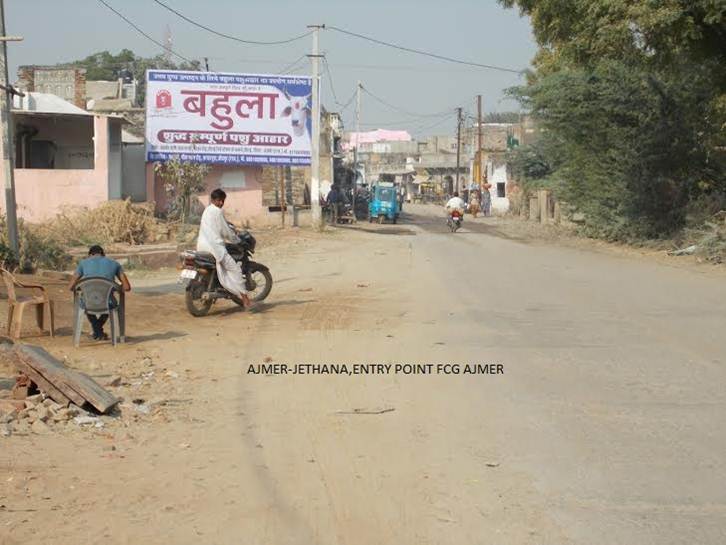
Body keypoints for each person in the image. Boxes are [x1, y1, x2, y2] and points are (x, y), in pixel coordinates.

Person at [197, 189, 252, 309]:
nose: (221, 203)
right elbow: (225, 231)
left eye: (222, 200)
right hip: (215, 247)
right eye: (219, 200)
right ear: (213, 200)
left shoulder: (207, 210)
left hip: (202, 246)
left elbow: (221, 225)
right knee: (235, 270)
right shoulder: (217, 211)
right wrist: (237, 240)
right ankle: (245, 299)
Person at [69, 245, 131, 341]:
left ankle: (97, 331)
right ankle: (99, 331)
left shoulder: (83, 263)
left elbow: (71, 287)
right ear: (103, 254)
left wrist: (83, 287)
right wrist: (114, 288)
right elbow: (127, 287)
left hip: (88, 303)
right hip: (107, 303)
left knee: (86, 301)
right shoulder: (115, 264)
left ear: (90, 254)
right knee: (109, 302)